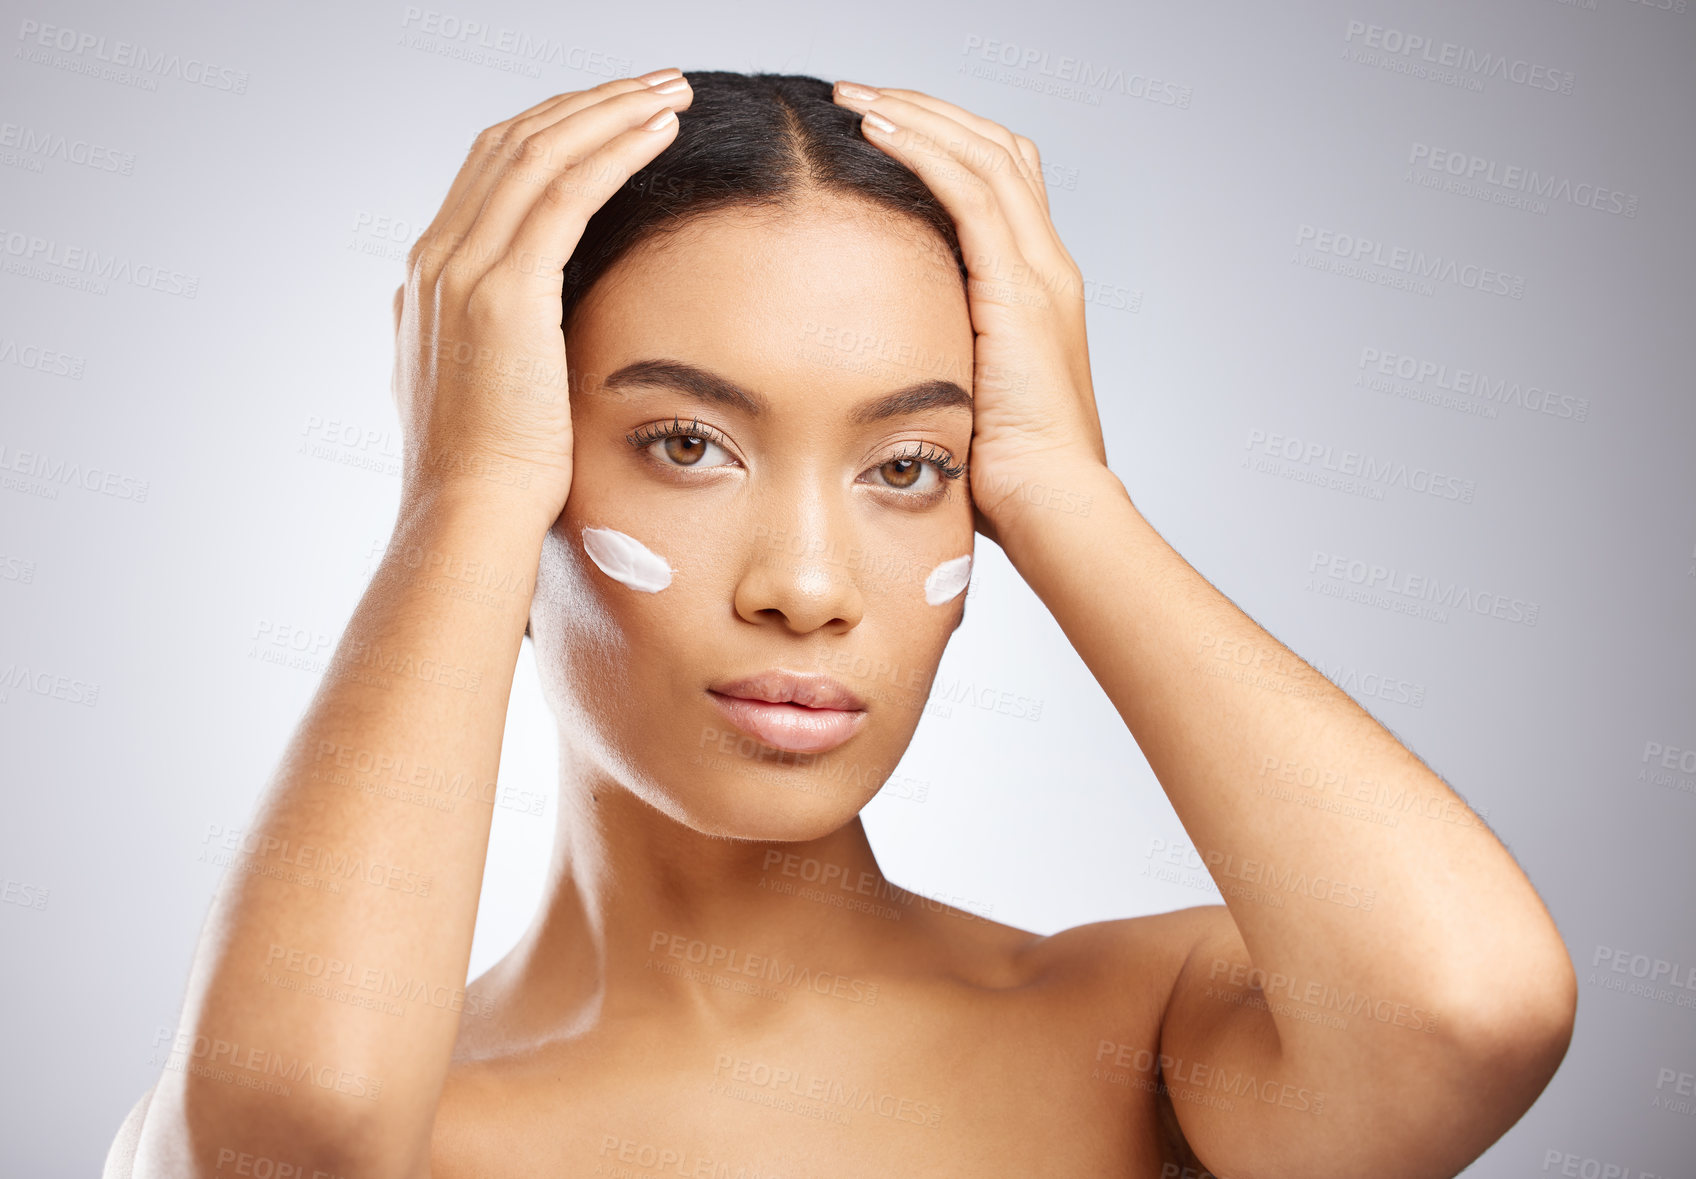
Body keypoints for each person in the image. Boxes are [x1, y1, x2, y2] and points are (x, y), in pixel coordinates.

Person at [106, 69, 1576, 1178]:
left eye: (910, 467)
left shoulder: (1147, 1036)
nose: (807, 587)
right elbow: (288, 1131)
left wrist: (1069, 489)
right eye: (687, 444)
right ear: (534, 461)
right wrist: (462, 498)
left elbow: (1465, 1011)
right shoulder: (365, 1100)